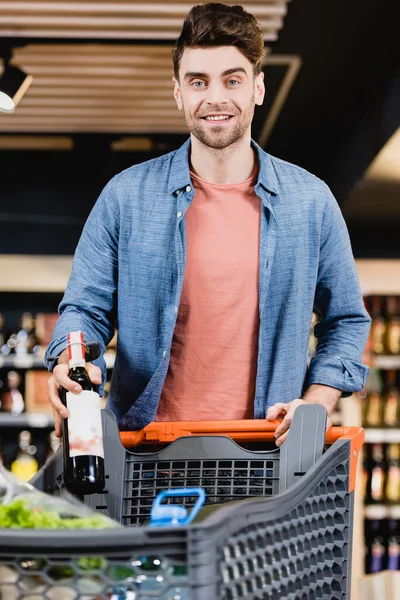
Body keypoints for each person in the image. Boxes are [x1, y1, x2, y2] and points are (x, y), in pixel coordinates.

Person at [46, 2, 371, 447]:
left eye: (232, 80)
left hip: (268, 452)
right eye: (198, 82)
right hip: (143, 451)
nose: (215, 97)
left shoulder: (312, 202)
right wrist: (70, 361)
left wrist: (318, 400)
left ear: (258, 88)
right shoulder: (125, 197)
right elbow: (84, 311)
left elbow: (347, 320)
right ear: (179, 92)